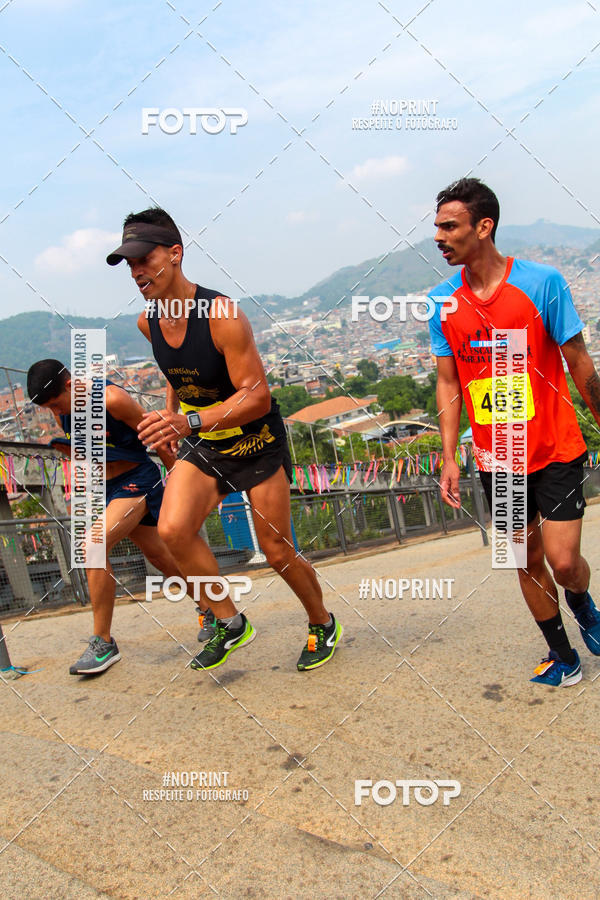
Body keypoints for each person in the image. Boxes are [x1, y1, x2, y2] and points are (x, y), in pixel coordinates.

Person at [106, 208, 342, 671]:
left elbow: (256, 397)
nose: (136, 272)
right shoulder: (146, 322)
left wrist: (187, 424)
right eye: (128, 264)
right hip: (206, 442)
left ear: (175, 254)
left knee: (275, 549)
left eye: (143, 259)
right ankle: (230, 621)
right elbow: (177, 372)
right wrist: (171, 414)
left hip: (255, 441)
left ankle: (322, 621)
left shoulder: (221, 315)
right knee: (173, 530)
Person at [428, 177, 600, 686]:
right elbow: (447, 381)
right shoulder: (443, 301)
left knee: (564, 561)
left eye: (449, 225)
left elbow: (579, 362)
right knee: (523, 559)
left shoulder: (542, 283)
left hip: (556, 448)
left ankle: (583, 604)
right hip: (496, 460)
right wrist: (449, 456)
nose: (438, 236)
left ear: (484, 227)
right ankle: (562, 656)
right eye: (436, 226)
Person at [26, 359, 205, 675]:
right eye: (49, 410)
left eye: (56, 405)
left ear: (70, 385)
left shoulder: (112, 400)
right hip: (109, 488)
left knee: (93, 546)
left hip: (138, 481)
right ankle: (212, 608)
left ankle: (103, 642)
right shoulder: (64, 413)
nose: (56, 414)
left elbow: (157, 437)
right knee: (161, 558)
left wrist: (180, 484)